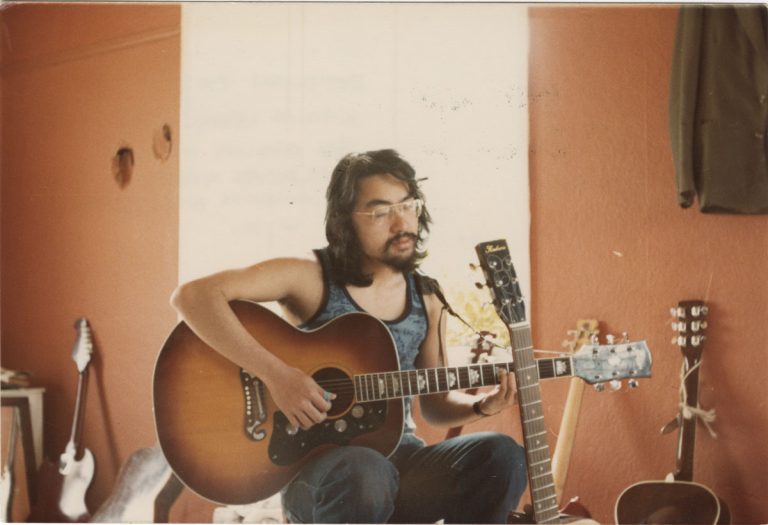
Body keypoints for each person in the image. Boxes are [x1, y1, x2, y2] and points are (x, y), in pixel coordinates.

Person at [170, 149, 527, 523]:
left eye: (408, 205)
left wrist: (481, 406)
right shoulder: (308, 276)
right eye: (380, 211)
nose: (401, 222)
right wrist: (276, 375)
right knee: (364, 470)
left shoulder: (428, 297)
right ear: (345, 221)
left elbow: (435, 407)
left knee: (502, 454)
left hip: (401, 466)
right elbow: (192, 296)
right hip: (317, 476)